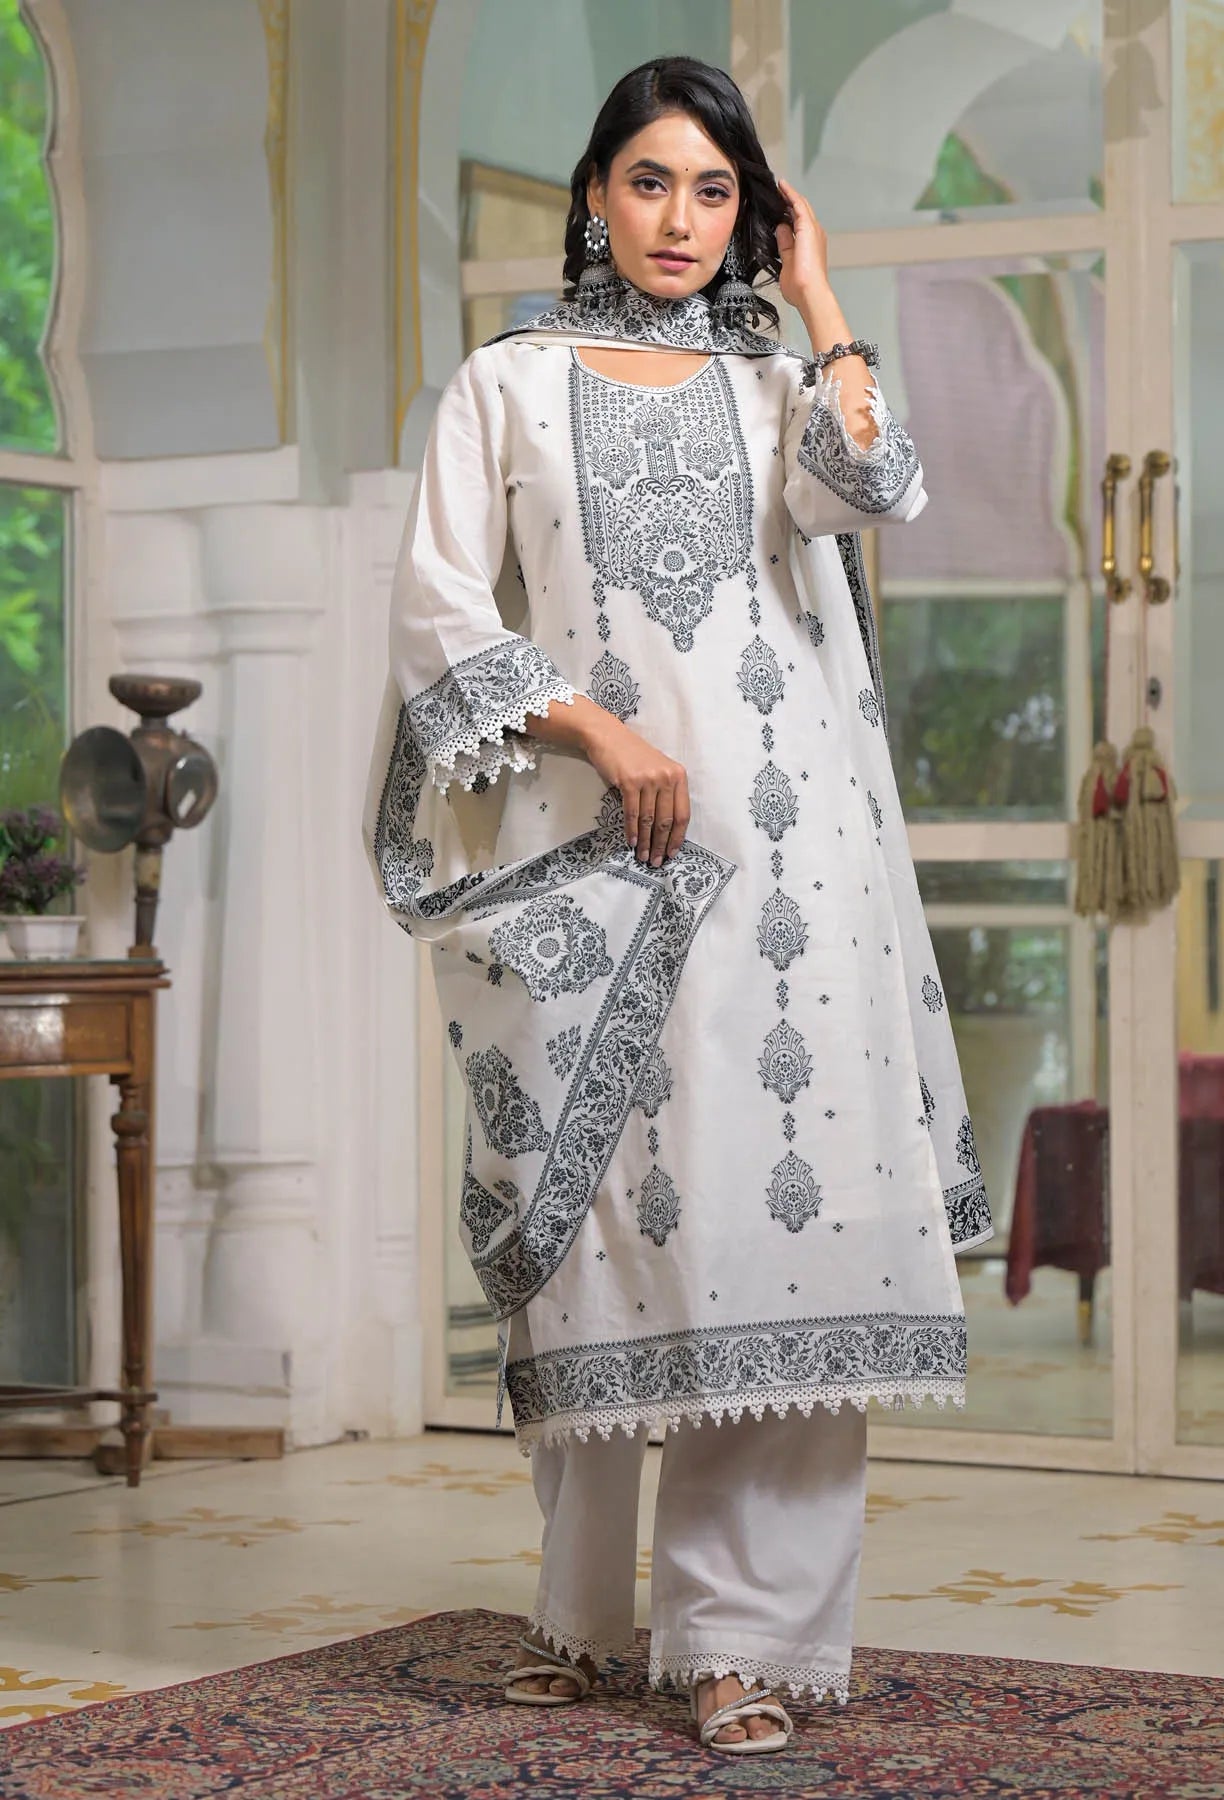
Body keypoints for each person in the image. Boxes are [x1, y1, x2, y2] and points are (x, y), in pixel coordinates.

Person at [363, 55, 993, 1757]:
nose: (679, 221)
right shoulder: (508, 382)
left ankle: (742, 1645)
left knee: (770, 1226)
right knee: (608, 1221)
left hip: (797, 864)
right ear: (593, 192)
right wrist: (586, 718)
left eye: (716, 194)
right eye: (651, 183)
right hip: (601, 850)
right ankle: (582, 1618)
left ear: (751, 216)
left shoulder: (778, 380)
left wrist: (825, 296)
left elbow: (873, 492)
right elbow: (433, 605)